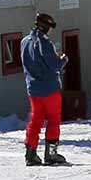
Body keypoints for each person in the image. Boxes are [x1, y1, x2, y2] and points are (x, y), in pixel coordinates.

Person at [19, 13, 69, 165]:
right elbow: (54, 66)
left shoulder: (24, 42)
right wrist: (63, 59)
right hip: (49, 88)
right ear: (46, 27)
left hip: (33, 88)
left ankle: (30, 153)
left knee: (35, 119)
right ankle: (51, 154)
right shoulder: (45, 44)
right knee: (53, 119)